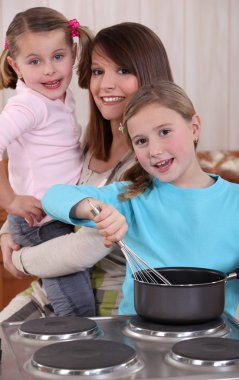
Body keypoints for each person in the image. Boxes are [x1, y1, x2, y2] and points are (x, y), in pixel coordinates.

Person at [0, 22, 173, 321]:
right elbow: (44, 184)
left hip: (113, 304)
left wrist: (20, 259)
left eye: (123, 71)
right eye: (97, 71)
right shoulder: (90, 145)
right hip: (54, 289)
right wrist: (9, 227)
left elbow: (88, 245)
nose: (106, 84)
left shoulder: (151, 162)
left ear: (149, 77)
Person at [42, 80, 239, 318]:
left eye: (165, 132)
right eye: (141, 141)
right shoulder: (132, 197)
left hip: (213, 345)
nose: (154, 150)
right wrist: (93, 209)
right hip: (138, 340)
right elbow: (53, 196)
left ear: (194, 127)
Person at [0, 6, 96, 317]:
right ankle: (76, 354)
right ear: (15, 65)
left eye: (58, 56)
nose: (50, 70)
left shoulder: (60, 97)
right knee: (76, 308)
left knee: (72, 300)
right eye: (34, 61)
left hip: (58, 215)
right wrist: (10, 200)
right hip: (42, 223)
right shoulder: (28, 105)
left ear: (74, 52)